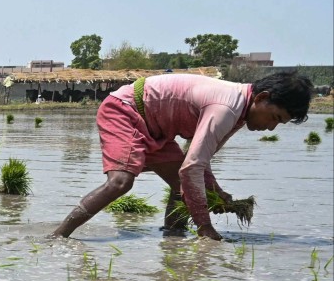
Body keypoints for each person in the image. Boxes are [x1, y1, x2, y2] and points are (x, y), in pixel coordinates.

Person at [51, 71, 312, 240]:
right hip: (127, 111)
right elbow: (192, 168)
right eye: (275, 117)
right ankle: (59, 236)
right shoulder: (226, 109)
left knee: (180, 185)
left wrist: (216, 192)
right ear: (262, 97)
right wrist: (205, 226)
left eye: (280, 124)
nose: (271, 126)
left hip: (157, 128)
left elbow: (199, 160)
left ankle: (172, 238)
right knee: (121, 182)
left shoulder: (240, 113)